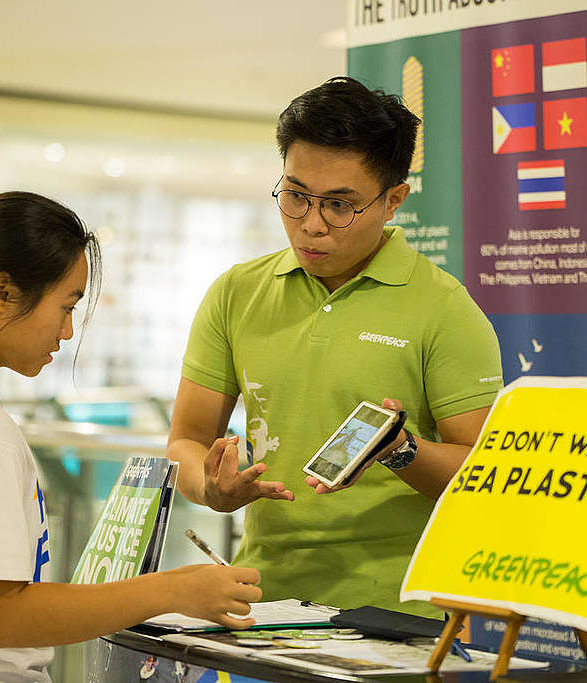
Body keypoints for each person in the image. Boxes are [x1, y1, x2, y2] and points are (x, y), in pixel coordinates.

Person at [0, 192, 261, 681]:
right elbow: (4, 617)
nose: (66, 332)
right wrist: (174, 591)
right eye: (66, 307)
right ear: (1, 291)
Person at [167, 77, 503, 616]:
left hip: (397, 615)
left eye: (339, 206)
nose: (310, 225)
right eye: (295, 196)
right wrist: (211, 488)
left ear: (393, 201)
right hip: (261, 601)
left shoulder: (445, 309)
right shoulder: (236, 292)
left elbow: (482, 475)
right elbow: (186, 439)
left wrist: (400, 450)